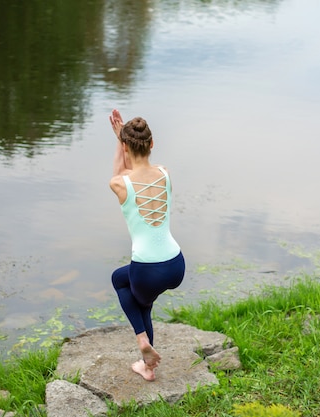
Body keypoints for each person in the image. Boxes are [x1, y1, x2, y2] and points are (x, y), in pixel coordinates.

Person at [108, 109, 185, 381]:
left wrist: (120, 140)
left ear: (126, 147)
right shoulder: (165, 173)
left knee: (123, 285)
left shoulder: (120, 183)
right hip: (176, 264)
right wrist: (124, 140)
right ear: (152, 144)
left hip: (147, 268)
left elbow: (121, 175)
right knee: (132, 288)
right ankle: (146, 366)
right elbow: (137, 170)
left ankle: (144, 346)